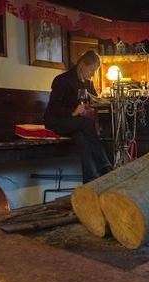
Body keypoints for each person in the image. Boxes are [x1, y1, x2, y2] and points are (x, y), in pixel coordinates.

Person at [44, 50, 112, 183]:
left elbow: (94, 101)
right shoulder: (62, 80)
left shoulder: (88, 84)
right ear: (82, 65)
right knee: (85, 124)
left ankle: (91, 179)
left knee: (80, 137)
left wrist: (100, 103)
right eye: (91, 70)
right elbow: (53, 107)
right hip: (56, 121)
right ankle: (105, 165)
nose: (92, 74)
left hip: (75, 124)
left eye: (95, 71)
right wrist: (73, 112)